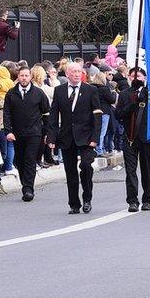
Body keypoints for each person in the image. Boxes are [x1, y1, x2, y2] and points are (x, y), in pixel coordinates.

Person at [46, 62, 102, 215]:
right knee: (70, 172)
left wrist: (95, 138)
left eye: (79, 71)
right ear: (68, 74)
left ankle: (87, 198)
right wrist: (51, 137)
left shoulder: (90, 90)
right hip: (67, 137)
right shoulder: (59, 91)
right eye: (74, 72)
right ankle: (74, 204)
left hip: (86, 137)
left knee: (85, 166)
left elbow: (97, 116)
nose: (77, 74)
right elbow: (53, 116)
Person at [2, 67, 50, 202]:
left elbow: (46, 113)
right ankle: (25, 183)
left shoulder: (38, 93)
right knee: (20, 160)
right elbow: (7, 114)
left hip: (34, 133)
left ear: (30, 77)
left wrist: (47, 132)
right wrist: (8, 131)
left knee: (30, 159)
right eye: (21, 75)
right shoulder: (11, 94)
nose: (24, 78)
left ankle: (28, 189)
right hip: (17, 133)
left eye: (26, 75)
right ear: (18, 77)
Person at [115, 67, 150, 211]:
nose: (136, 79)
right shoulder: (124, 94)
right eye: (133, 76)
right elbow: (118, 114)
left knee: (147, 170)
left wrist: (144, 97)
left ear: (144, 78)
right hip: (130, 137)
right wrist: (133, 104)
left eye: (139, 76)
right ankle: (132, 200)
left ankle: (147, 199)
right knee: (131, 171)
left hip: (147, 138)